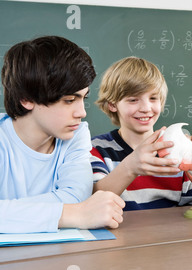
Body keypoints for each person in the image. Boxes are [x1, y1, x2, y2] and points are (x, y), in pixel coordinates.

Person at [0, 36, 125, 233]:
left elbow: (78, 198)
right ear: (26, 98)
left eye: (83, 98)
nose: (82, 113)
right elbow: (79, 209)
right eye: (69, 100)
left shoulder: (76, 135)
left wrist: (9, 211)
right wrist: (73, 214)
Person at [90, 56, 192, 210]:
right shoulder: (96, 149)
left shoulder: (176, 148)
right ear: (112, 105)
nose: (146, 108)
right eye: (133, 100)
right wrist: (131, 167)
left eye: (153, 98)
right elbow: (93, 202)